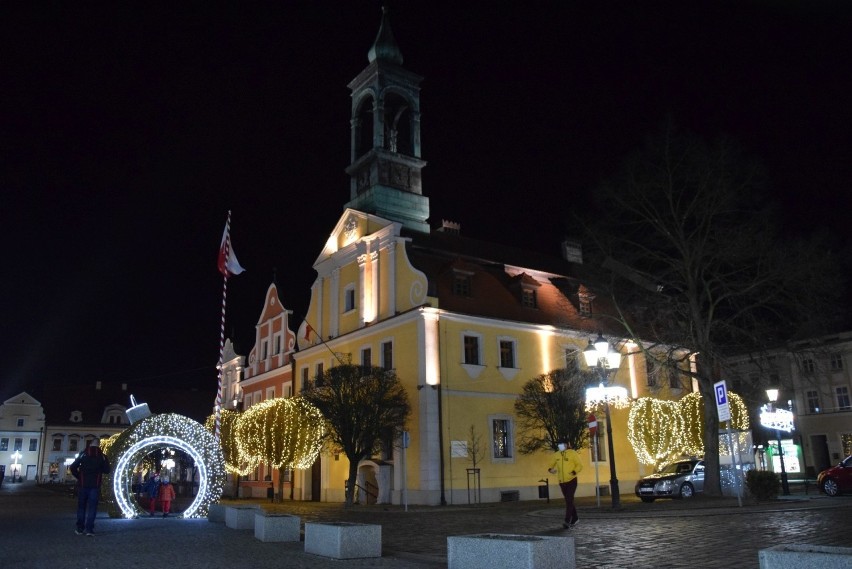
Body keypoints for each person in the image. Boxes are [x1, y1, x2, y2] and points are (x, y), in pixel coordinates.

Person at [70, 439, 111, 536]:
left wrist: (79, 476)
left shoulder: (83, 454)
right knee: (92, 508)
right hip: (95, 486)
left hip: (83, 485)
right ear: (98, 445)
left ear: (90, 444)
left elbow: (72, 467)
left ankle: (80, 528)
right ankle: (89, 529)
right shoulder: (102, 456)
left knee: (81, 507)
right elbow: (107, 470)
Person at [548, 441, 583, 529]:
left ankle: (567, 521)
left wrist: (574, 472)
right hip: (562, 482)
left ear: (566, 445)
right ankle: (575, 518)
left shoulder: (572, 453)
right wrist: (551, 470)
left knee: (569, 500)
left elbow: (579, 465)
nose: (560, 446)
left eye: (562, 445)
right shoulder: (557, 455)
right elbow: (550, 465)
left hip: (572, 480)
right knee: (569, 500)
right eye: (559, 445)